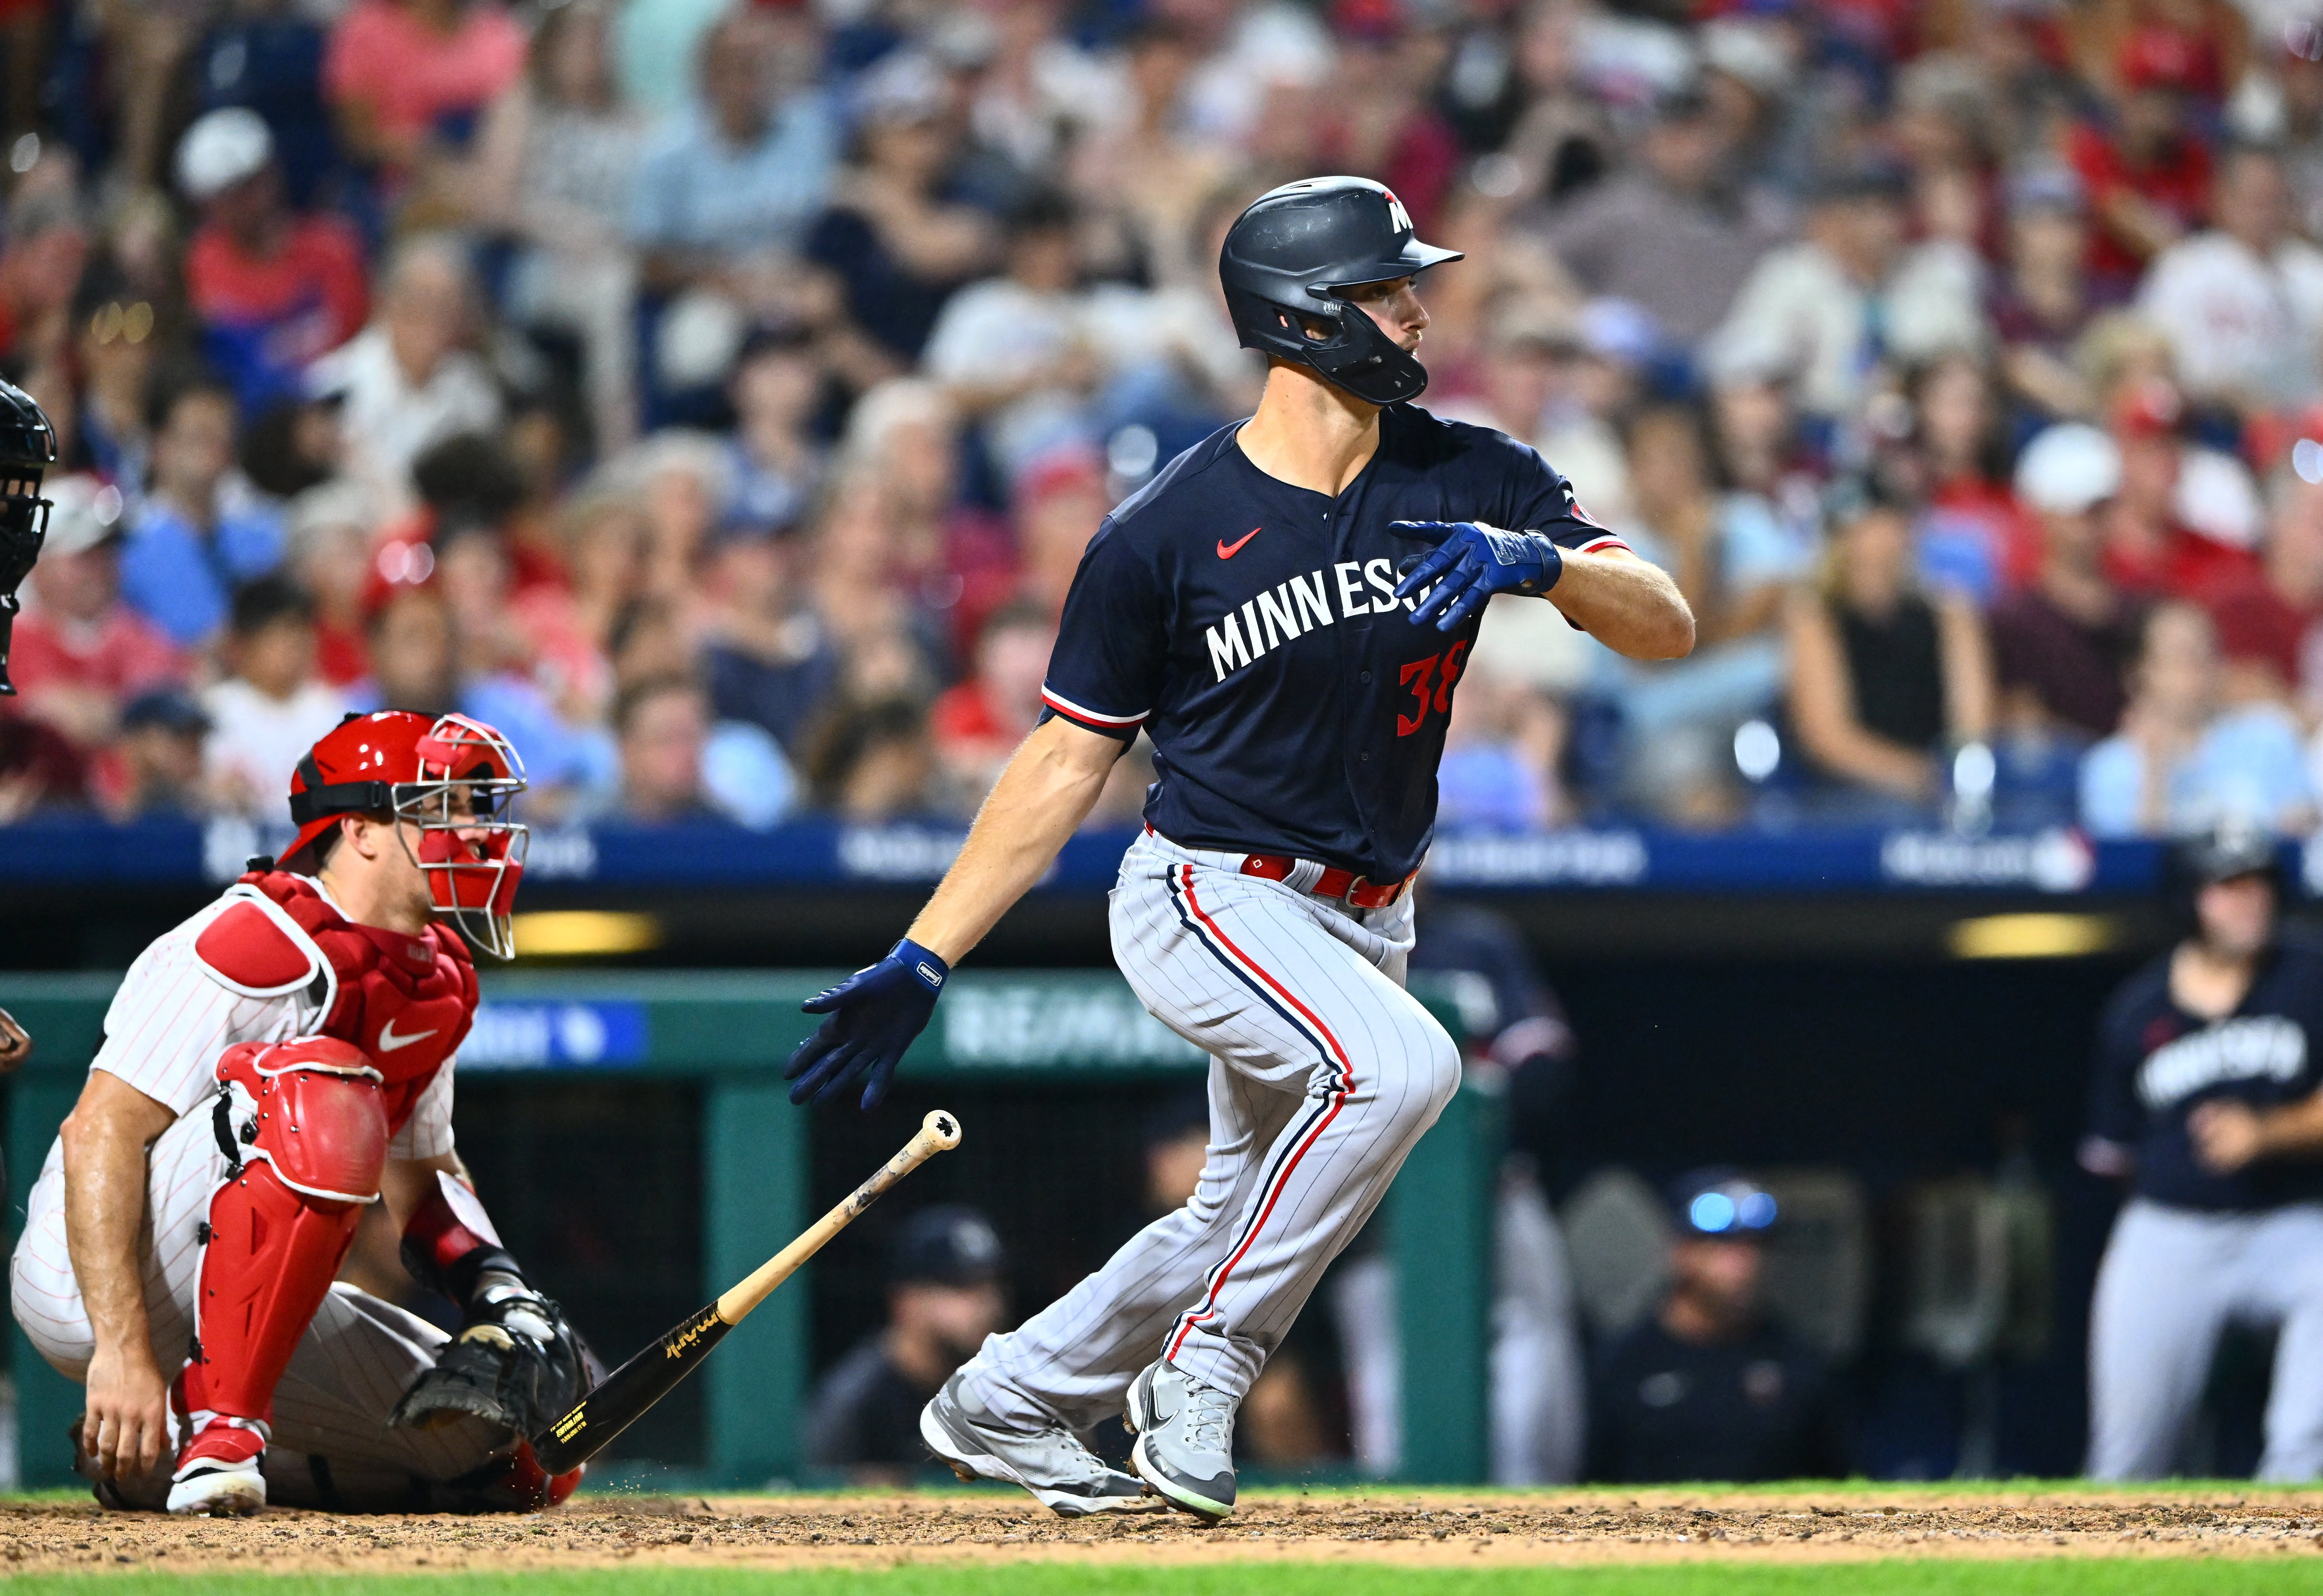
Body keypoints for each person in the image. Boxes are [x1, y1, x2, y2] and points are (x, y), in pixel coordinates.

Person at [783, 175, 1691, 1521]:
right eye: (1386, 288)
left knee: (1228, 1213)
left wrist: (1538, 562)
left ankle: (1013, 1389)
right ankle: (1206, 1362)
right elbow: (1063, 756)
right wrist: (925, 949)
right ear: (1306, 317)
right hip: (1208, 891)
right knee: (1403, 1065)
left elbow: (1664, 620)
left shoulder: (1471, 472)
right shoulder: (1164, 528)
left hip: (1370, 911)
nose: (1416, 307)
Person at [6, 711, 593, 1514]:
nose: (475, 831)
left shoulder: (436, 976)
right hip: (90, 1277)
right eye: (442, 807)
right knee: (326, 1087)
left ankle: (157, 1456)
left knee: (515, 1453)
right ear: (359, 829)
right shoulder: (253, 939)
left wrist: (500, 1290)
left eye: (475, 807)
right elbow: (98, 1132)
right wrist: (120, 1350)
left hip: (251, 1292)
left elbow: (422, 1183)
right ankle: (222, 1432)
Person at [2082, 825, 2323, 1479]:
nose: (2248, 901)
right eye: (2227, 886)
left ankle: (2294, 1520)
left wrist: (2267, 1131)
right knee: (2126, 1458)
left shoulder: (2307, 976)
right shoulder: (2137, 1009)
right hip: (2170, 1229)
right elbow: (2112, 1154)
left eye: (2257, 884)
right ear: (2187, 899)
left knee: (2304, 1448)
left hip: (2289, 1222)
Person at [1586, 1170, 1847, 1483]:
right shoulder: (1624, 1364)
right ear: (1681, 1252)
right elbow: (1588, 1483)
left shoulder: (1798, 1364)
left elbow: (1835, 1486)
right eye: (1723, 1246)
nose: (1744, 1264)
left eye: (1755, 1245)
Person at [1785, 490, 1995, 808]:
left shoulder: (1949, 612)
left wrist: (1954, 777)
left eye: (1891, 520)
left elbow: (1972, 723)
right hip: (1848, 790)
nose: (1882, 534)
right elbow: (1827, 737)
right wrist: (1915, 776)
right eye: (1868, 523)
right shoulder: (1815, 617)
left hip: (1940, 777)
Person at [177, 108, 369, 415]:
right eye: (228, 196)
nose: (245, 203)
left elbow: (355, 337)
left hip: (336, 405)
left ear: (273, 175)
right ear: (206, 206)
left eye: (251, 184)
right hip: (248, 415)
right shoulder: (199, 264)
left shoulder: (334, 248)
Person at [804, 1206, 1007, 1481]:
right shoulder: (853, 1403)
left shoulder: (1008, 1389)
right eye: (960, 1287)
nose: (986, 1304)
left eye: (990, 1284)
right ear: (905, 1302)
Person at [2078, 601, 2314, 838]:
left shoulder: (2268, 737)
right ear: (2138, 673)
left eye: (2207, 652)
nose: (2198, 666)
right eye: (2182, 655)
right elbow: (2129, 863)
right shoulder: (2109, 767)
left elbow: (2300, 839)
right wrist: (2153, 774)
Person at [2140, 145, 2323, 416]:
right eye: (2256, 200)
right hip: (2210, 419)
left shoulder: (2310, 270)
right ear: (2222, 199)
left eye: (2276, 200)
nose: (2266, 212)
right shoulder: (2184, 268)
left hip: (2301, 424)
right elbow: (2153, 360)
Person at [1991, 424, 2143, 742]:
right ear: (2042, 516)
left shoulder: (2141, 609)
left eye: (2103, 509)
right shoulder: (2014, 623)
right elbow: (2024, 724)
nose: (2093, 526)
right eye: (2082, 512)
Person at [117, 375, 287, 650]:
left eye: (221, 437)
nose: (212, 450)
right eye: (198, 437)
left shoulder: (264, 533)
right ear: (159, 448)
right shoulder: (128, 544)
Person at [199, 577, 350, 817]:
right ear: (244, 643)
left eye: (300, 633)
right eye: (279, 634)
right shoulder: (213, 711)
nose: (292, 646)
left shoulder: (331, 711)